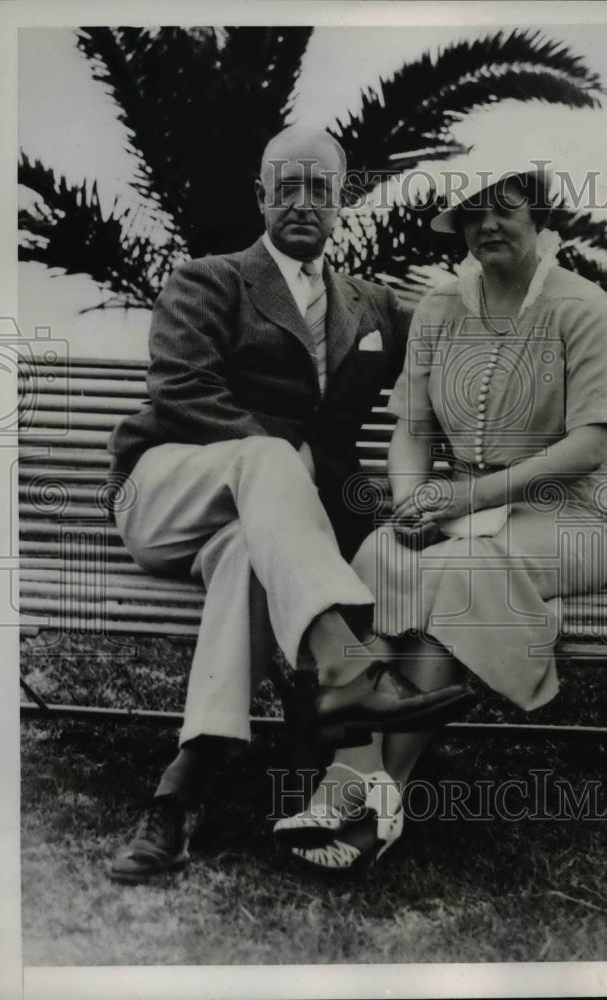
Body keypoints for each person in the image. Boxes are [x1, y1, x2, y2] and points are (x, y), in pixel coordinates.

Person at [106, 127, 470, 883]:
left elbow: (453, 350)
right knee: (268, 458)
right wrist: (284, 457)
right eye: (287, 186)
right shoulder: (208, 280)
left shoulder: (371, 307)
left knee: (249, 557)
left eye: (320, 188)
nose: (303, 201)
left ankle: (181, 793)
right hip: (168, 492)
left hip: (258, 532)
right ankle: (346, 665)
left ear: (343, 203)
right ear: (262, 197)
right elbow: (181, 392)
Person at [274, 163, 607, 871]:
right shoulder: (440, 307)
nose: (488, 225)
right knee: (379, 559)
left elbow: (589, 444)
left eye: (503, 209)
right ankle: (358, 778)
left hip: (569, 519)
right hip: (462, 515)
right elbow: (411, 427)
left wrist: (466, 500)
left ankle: (372, 804)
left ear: (537, 219)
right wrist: (410, 500)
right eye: (471, 214)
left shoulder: (580, 306)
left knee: (455, 576)